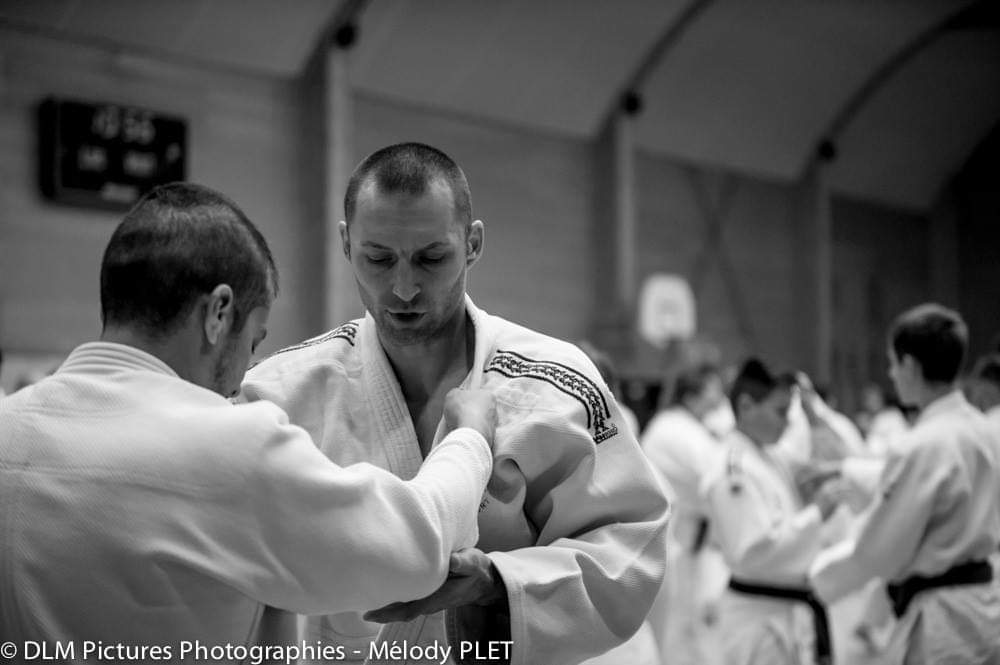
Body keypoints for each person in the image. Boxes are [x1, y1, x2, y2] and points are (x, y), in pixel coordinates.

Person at [0, 183, 498, 649]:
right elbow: (417, 543)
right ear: (219, 313)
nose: (244, 376)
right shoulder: (226, 443)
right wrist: (470, 436)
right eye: (254, 342)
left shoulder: (8, 426)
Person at [242, 142, 670, 665]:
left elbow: (629, 549)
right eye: (377, 258)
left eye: (431, 258)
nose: (402, 287)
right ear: (345, 243)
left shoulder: (557, 384)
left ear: (473, 244)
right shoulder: (281, 392)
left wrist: (500, 583)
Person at [809, 303, 1000, 665]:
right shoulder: (981, 429)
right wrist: (846, 469)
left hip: (943, 620)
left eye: (893, 363)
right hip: (985, 606)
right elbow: (928, 486)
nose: (891, 374)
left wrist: (816, 578)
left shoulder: (921, 444)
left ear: (910, 365)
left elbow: (880, 549)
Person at [703, 358, 846, 665]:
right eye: (780, 411)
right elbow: (753, 550)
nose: (788, 422)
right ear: (746, 406)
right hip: (758, 620)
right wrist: (816, 513)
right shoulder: (734, 468)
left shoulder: (770, 455)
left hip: (785, 610)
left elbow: (832, 457)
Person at [641, 361, 729, 665]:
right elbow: (720, 477)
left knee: (695, 635)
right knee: (680, 636)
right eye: (714, 388)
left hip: (695, 546)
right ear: (693, 395)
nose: (720, 396)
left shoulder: (691, 427)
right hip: (675, 545)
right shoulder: (673, 429)